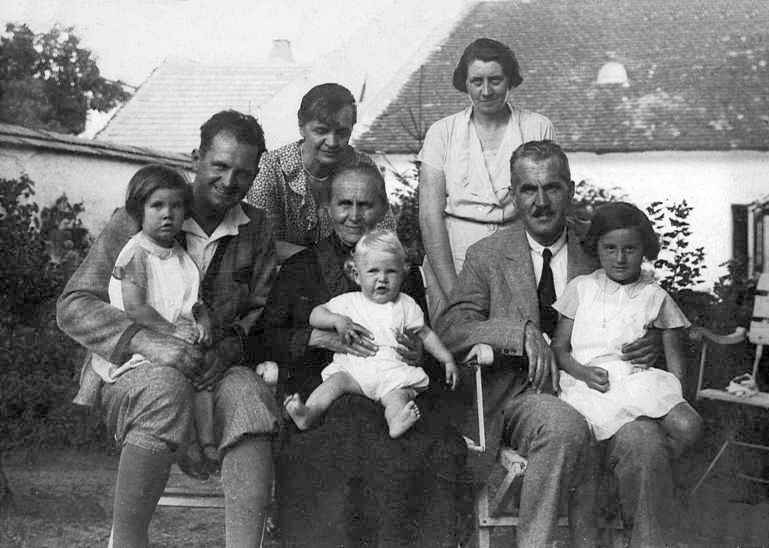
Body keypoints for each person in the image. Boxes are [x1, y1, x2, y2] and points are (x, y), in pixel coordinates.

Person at [58, 110, 280, 548]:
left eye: (243, 173)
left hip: (213, 369)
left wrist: (229, 350)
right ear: (196, 158)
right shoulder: (143, 214)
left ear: (255, 175)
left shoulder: (255, 230)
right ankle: (127, 542)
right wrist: (147, 342)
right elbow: (75, 305)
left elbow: (262, 312)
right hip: (138, 369)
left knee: (250, 399)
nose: (229, 181)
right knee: (165, 388)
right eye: (219, 166)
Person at [437, 140, 672, 548]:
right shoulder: (488, 255)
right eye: (529, 189)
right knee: (563, 424)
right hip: (524, 397)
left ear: (571, 190)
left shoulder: (599, 248)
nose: (541, 202)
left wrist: (651, 337)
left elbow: (646, 300)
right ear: (513, 196)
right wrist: (519, 332)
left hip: (604, 391)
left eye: (552, 187)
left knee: (645, 441)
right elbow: (452, 329)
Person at [257, 164, 466, 547]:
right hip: (324, 389)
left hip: (391, 387)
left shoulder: (402, 271)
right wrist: (317, 338)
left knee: (431, 444)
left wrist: (418, 352)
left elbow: (421, 336)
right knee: (347, 435)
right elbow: (264, 339)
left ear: (382, 208)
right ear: (327, 207)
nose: (354, 215)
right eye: (344, 204)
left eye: (366, 205)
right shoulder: (301, 268)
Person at [89, 164, 220, 475]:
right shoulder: (136, 253)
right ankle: (188, 444)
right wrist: (172, 331)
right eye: (157, 205)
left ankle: (208, 442)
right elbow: (135, 308)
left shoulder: (182, 257)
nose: (167, 214)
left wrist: (203, 323)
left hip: (177, 341)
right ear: (139, 210)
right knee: (176, 381)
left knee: (203, 378)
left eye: (176, 206)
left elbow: (196, 303)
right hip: (142, 346)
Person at [419, 38, 556, 319]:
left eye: (495, 80)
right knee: (460, 332)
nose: (486, 91)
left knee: (516, 335)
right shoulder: (442, 133)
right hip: (454, 253)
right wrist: (454, 293)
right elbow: (430, 217)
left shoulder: (537, 127)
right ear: (465, 83)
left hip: (519, 252)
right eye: (476, 81)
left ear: (510, 80)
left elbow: (551, 201)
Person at [552, 202, 703, 453]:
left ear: (644, 249)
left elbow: (677, 370)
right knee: (588, 439)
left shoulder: (655, 296)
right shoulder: (581, 288)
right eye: (610, 248)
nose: (620, 259)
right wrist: (582, 373)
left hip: (638, 383)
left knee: (689, 426)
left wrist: (672, 399)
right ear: (596, 246)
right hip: (589, 385)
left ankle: (660, 461)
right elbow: (559, 348)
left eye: (630, 249)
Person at [285, 229, 459, 438]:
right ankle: (308, 413)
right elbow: (315, 314)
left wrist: (446, 359)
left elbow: (426, 334)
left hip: (392, 374)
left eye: (391, 272)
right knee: (333, 384)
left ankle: (396, 421)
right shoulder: (349, 302)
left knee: (398, 397)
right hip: (354, 373)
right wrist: (336, 321)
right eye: (373, 271)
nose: (382, 279)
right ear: (356, 275)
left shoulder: (406, 305)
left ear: (403, 273)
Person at [247, 82, 395, 259]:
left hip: (352, 270)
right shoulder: (271, 168)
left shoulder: (363, 167)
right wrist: (323, 261)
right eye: (321, 131)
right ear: (301, 126)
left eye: (342, 133)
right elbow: (263, 242)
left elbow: (384, 236)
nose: (332, 142)